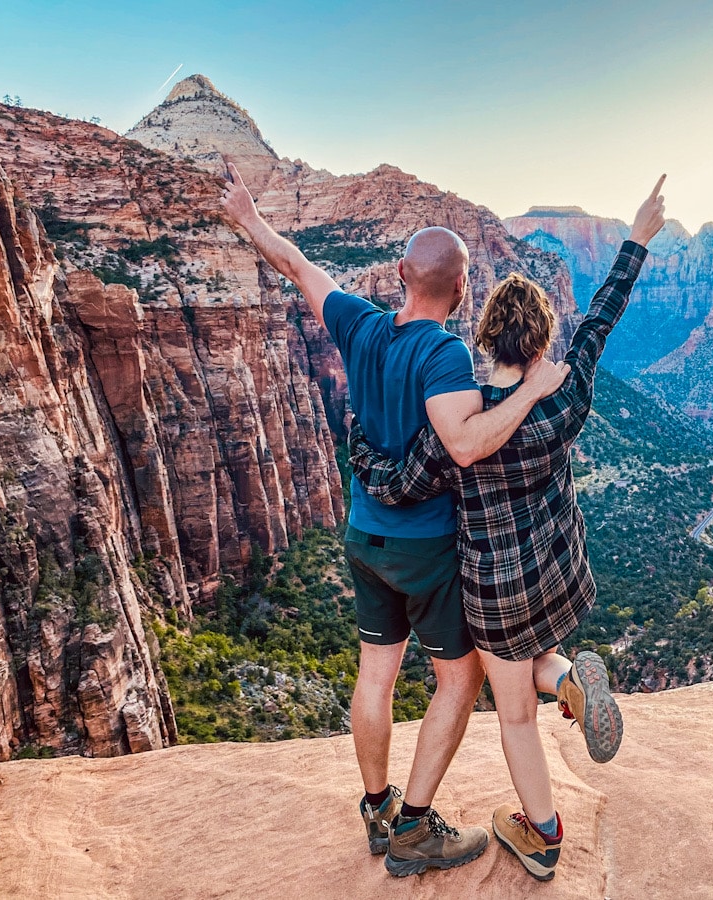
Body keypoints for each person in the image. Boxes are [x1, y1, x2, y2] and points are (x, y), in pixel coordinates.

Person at [220, 163, 570, 877]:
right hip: (426, 547)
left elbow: (297, 266)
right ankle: (412, 829)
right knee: (460, 680)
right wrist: (533, 388)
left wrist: (249, 219)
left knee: (375, 676)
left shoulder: (360, 324)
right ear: (464, 291)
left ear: (401, 272)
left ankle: (376, 807)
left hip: (362, 538)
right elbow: (467, 443)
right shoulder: (443, 353)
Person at [349, 176, 667, 881]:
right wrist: (637, 239)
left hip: (494, 593)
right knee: (541, 658)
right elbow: (603, 320)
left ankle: (543, 833)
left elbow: (399, 485)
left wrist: (360, 449)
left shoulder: (463, 425)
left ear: (484, 335)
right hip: (559, 576)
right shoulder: (568, 391)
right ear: (544, 336)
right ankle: (575, 688)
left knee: (513, 711)